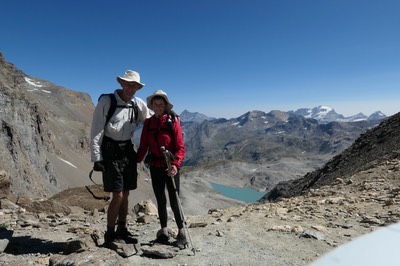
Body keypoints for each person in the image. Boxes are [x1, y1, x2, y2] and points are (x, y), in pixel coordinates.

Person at [90, 70, 152, 245]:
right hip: (110, 152)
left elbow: (150, 121)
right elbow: (96, 129)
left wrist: (169, 120)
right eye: (127, 84)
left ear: (138, 88)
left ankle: (122, 230)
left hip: (128, 152)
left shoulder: (138, 104)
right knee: (117, 195)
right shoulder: (106, 101)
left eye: (134, 86)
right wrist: (97, 157)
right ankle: (110, 234)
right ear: (121, 84)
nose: (130, 88)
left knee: (125, 193)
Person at [136, 90, 187, 249]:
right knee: (160, 200)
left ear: (165, 106)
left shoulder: (173, 122)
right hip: (155, 167)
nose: (158, 107)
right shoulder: (148, 123)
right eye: (155, 105)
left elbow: (180, 147)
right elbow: (143, 146)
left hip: (170, 167)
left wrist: (175, 165)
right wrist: (134, 161)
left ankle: (182, 233)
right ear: (152, 106)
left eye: (161, 105)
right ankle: (164, 231)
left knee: (174, 201)